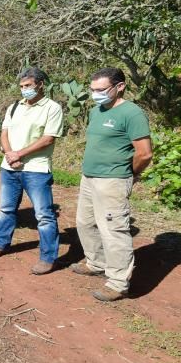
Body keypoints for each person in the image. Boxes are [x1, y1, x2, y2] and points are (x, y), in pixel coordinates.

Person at [73, 67, 152, 302]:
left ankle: (118, 283)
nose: (95, 94)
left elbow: (144, 154)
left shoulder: (132, 113)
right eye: (92, 89)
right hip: (89, 177)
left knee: (113, 230)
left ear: (119, 87)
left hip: (113, 180)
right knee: (85, 223)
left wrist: (130, 174)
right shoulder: (97, 111)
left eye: (101, 89)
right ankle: (96, 262)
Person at [0, 67, 64, 275]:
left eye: (28, 86)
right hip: (9, 167)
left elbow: (48, 138)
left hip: (36, 169)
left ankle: (48, 257)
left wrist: (19, 154)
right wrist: (10, 154)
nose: (24, 90)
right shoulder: (14, 107)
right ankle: (2, 243)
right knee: (6, 209)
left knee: (44, 215)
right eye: (21, 86)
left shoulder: (52, 108)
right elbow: (4, 133)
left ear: (40, 84)